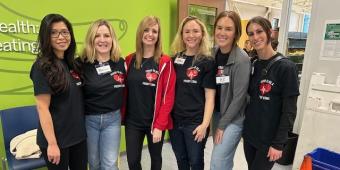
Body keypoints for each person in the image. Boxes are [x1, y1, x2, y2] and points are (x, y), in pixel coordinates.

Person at [30, 14, 87, 169]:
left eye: (65, 32)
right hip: (57, 140)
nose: (61, 37)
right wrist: (52, 144)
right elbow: (42, 108)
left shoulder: (72, 64)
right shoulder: (41, 67)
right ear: (46, 37)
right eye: (54, 33)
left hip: (78, 136)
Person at [243, 16, 299, 170]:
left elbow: (289, 110)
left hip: (269, 140)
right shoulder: (252, 63)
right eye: (251, 33)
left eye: (259, 31)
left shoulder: (286, 68)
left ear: (270, 33)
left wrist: (279, 144)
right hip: (250, 136)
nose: (255, 37)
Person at [124, 16, 176, 170]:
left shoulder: (164, 62)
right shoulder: (129, 60)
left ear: (158, 36)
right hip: (133, 122)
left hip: (154, 123)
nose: (150, 34)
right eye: (146, 30)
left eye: (154, 31)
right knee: (133, 161)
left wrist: (160, 125)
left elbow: (168, 97)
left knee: (155, 159)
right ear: (140, 32)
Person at [170, 16, 216, 170]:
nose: (191, 35)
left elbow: (210, 97)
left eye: (195, 31)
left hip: (195, 122)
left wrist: (204, 124)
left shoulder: (207, 62)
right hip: (175, 121)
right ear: (182, 35)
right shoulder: (175, 59)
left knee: (195, 161)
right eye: (187, 31)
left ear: (202, 34)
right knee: (180, 158)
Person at [78, 19, 125, 170]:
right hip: (89, 120)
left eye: (107, 35)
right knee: (93, 163)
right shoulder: (80, 64)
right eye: (98, 36)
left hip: (113, 119)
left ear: (113, 39)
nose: (102, 40)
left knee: (110, 164)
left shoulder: (120, 63)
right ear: (91, 39)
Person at [210, 11, 251, 170]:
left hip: (233, 119)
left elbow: (239, 98)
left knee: (218, 161)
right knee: (224, 160)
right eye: (219, 28)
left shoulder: (242, 59)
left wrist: (222, 125)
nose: (222, 32)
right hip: (217, 114)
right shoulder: (213, 52)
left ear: (236, 33)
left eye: (228, 29)